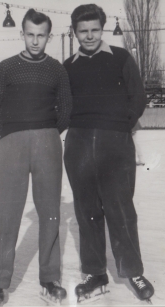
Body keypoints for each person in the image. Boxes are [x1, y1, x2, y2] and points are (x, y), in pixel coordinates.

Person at [63, 4, 154, 304]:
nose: (89, 36)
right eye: (82, 31)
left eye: (94, 30)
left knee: (121, 209)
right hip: (78, 145)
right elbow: (61, 105)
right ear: (74, 32)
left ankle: (133, 271)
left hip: (115, 144)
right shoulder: (68, 66)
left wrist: (116, 128)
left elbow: (137, 97)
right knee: (86, 211)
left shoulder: (122, 58)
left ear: (102, 29)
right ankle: (95, 273)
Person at [0, 8, 72, 306]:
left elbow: (66, 108)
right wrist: (11, 134)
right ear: (22, 34)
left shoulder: (57, 69)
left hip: (48, 141)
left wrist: (46, 132)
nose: (36, 41)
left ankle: (50, 278)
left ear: (48, 36)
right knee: (4, 214)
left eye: (42, 35)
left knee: (50, 212)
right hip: (12, 144)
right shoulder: (7, 67)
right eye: (30, 35)